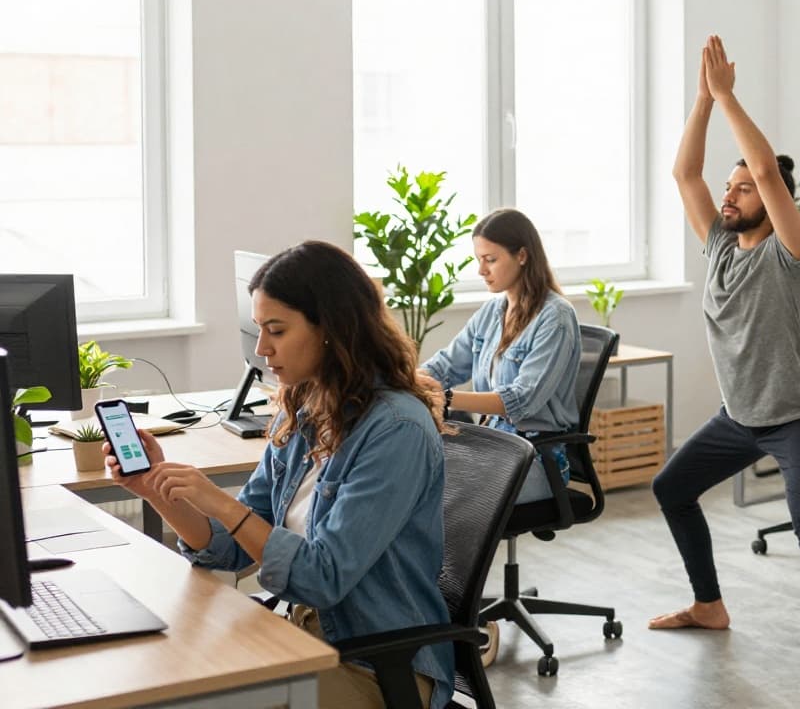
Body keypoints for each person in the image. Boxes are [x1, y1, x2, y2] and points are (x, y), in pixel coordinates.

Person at [107, 240, 455, 709]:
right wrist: (157, 490)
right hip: (305, 639)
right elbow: (229, 549)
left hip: (377, 666)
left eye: (276, 330)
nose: (261, 348)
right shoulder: (306, 407)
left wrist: (221, 503)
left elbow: (322, 578)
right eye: (259, 329)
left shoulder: (396, 430)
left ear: (332, 328)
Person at [650, 34, 800, 709]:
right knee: (672, 488)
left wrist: (730, 95)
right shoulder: (718, 246)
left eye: (742, 188)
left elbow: (767, 170)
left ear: (772, 201)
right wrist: (703, 102)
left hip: (795, 421)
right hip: (739, 419)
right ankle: (709, 605)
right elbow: (684, 175)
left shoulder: (792, 250)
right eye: (729, 187)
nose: (731, 194)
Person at [421, 207, 581, 506]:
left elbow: (521, 400)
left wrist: (447, 398)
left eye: (490, 260)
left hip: (535, 459)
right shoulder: (492, 312)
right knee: (417, 482)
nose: (482, 270)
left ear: (522, 255)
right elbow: (444, 366)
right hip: (493, 446)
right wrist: (401, 378)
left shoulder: (555, 317)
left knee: (438, 498)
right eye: (479, 260)